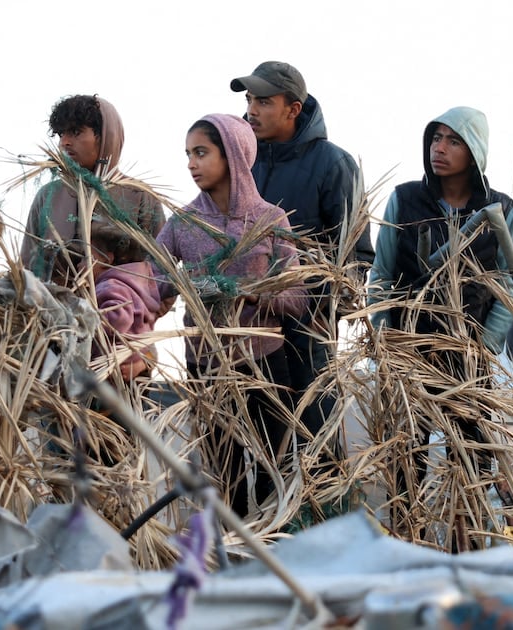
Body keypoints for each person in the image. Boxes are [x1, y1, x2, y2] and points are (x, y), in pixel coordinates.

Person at [367, 106, 513, 505]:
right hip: (409, 348)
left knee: (471, 460)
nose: (440, 148)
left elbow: (510, 284)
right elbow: (382, 274)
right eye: (436, 138)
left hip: (468, 355)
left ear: (475, 152)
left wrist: (484, 345)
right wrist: (384, 337)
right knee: (406, 456)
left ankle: (464, 549)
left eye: (454, 141)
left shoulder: (499, 209)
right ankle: (406, 547)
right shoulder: (405, 199)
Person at [155, 113, 306, 514]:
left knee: (278, 475)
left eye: (201, 153)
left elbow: (296, 297)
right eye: (188, 154)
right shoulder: (182, 224)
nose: (191, 164)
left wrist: (250, 294)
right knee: (226, 482)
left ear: (235, 155)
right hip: (208, 367)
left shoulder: (270, 219)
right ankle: (233, 567)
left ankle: (275, 563)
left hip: (266, 365)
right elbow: (155, 285)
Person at [230, 60, 372, 450]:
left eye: (263, 101)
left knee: (316, 442)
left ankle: (328, 510)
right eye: (249, 100)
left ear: (294, 109)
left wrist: (319, 313)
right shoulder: (240, 163)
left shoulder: (333, 165)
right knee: (255, 449)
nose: (251, 110)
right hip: (246, 329)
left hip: (307, 332)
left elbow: (356, 257)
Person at [20, 94, 164, 284]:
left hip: (117, 311)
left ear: (105, 137)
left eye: (76, 132)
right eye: (61, 134)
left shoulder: (139, 197)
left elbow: (162, 276)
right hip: (53, 311)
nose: (65, 142)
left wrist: (127, 306)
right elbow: (26, 269)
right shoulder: (49, 196)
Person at [88, 215, 163, 381]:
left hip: (115, 366)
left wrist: (87, 320)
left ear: (108, 258)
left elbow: (119, 316)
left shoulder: (111, 285)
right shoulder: (138, 285)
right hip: (137, 362)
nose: (81, 264)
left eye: (88, 256)